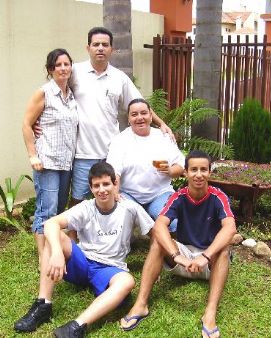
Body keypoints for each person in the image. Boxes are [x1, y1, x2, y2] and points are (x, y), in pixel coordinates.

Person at [34, 27, 173, 207]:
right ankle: (74, 236)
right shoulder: (75, 71)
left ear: (111, 50)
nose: (100, 48)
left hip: (111, 153)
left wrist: (161, 123)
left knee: (110, 199)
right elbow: (52, 94)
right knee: (78, 199)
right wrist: (35, 122)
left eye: (105, 45)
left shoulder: (119, 77)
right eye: (96, 44)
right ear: (88, 48)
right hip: (82, 152)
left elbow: (139, 104)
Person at [14, 162, 155, 337]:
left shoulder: (130, 208)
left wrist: (173, 256)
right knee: (55, 236)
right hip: (82, 261)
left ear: (115, 184)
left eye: (106, 184)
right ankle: (44, 304)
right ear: (91, 188)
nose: (102, 190)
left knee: (127, 282)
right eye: (96, 185)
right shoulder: (86, 207)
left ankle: (77, 326)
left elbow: (155, 233)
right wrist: (57, 253)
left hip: (110, 268)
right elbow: (50, 224)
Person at [120, 150, 237, 338]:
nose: (199, 174)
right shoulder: (179, 196)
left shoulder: (218, 196)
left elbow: (230, 228)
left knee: (224, 249)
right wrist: (177, 256)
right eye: (194, 169)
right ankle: (141, 304)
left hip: (209, 263)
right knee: (158, 241)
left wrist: (204, 257)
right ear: (185, 172)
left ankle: (210, 313)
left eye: (203, 170)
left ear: (210, 172)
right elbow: (159, 225)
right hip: (183, 259)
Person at [22, 49, 78, 267]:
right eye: (58, 65)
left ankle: (53, 248)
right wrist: (32, 155)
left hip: (67, 162)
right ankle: (43, 257)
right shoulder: (44, 93)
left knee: (59, 208)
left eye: (66, 64)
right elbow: (27, 124)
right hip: (46, 162)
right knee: (47, 209)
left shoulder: (71, 95)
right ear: (50, 70)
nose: (63, 68)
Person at [106, 98, 184, 231]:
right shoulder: (120, 141)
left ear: (151, 116)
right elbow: (114, 173)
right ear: (129, 119)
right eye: (134, 114)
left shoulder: (164, 137)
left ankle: (157, 225)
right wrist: (115, 193)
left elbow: (181, 165)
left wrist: (170, 171)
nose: (140, 118)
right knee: (119, 222)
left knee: (174, 223)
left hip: (160, 193)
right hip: (129, 194)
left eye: (144, 113)